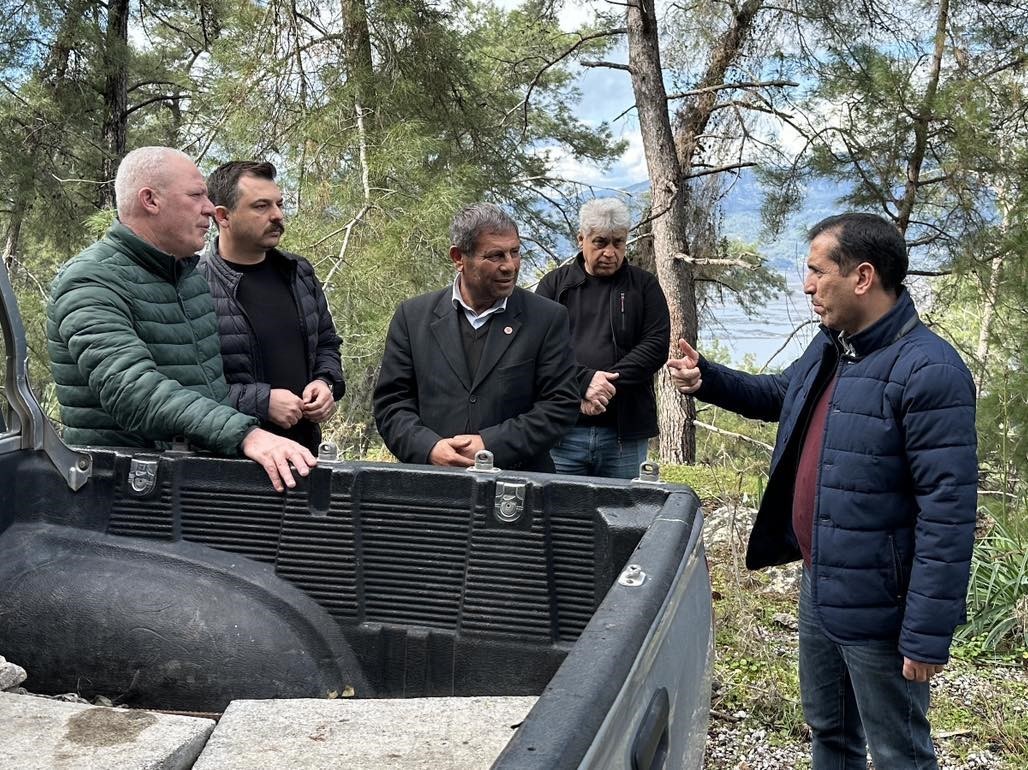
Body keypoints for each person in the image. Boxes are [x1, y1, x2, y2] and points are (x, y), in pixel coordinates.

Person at [667, 213, 977, 769]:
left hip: (881, 601)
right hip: (820, 580)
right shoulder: (834, 345)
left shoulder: (929, 370)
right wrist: (706, 377)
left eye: (816, 272)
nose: (807, 286)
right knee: (830, 731)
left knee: (899, 750)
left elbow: (948, 514)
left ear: (862, 277)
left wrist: (927, 633)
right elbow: (781, 394)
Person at [47, 146, 315, 492]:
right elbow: (131, 390)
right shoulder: (90, 280)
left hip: (189, 483)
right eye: (196, 195)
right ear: (150, 200)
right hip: (122, 494)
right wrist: (246, 434)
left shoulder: (188, 278)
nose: (209, 208)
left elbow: (211, 387)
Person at [373, 203, 580, 471]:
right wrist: (429, 448)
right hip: (433, 481)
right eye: (495, 256)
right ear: (459, 258)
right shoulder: (413, 318)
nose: (510, 266)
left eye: (515, 252)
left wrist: (490, 444)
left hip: (518, 482)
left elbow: (560, 406)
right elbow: (392, 405)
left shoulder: (546, 318)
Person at [200, 161, 345, 455]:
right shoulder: (195, 284)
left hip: (303, 456)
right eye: (261, 206)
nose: (277, 215)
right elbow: (186, 386)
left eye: (279, 204)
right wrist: (261, 402)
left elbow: (327, 344)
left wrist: (326, 382)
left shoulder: (299, 272)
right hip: (226, 462)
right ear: (223, 216)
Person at [537, 198, 669, 478]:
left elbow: (655, 346)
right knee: (559, 505)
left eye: (618, 243)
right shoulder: (555, 286)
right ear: (581, 239)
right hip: (563, 430)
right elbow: (538, 350)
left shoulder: (644, 286)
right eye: (600, 242)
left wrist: (604, 383)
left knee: (623, 507)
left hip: (625, 434)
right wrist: (583, 382)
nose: (610, 252)